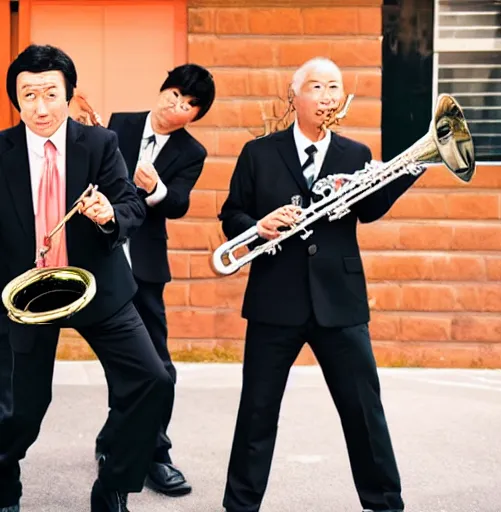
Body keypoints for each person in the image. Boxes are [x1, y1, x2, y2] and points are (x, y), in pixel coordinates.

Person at [218, 57, 420, 512]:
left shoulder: (355, 154)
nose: (326, 96)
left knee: (364, 414)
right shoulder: (260, 153)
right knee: (257, 413)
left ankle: (386, 504)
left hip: (339, 302)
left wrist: (412, 165)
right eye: (316, 86)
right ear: (295, 96)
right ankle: (240, 506)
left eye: (334, 87)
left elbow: (369, 211)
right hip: (275, 300)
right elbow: (231, 215)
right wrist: (257, 226)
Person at [0, 44, 174, 512]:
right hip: (25, 295)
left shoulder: (100, 144)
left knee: (151, 380)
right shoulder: (1, 151)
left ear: (68, 94)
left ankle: (114, 483)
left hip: (98, 283)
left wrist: (108, 215)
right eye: (28, 94)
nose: (40, 107)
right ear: (16, 98)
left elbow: (131, 205)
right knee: (20, 409)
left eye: (50, 93)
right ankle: (3, 486)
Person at [94, 64, 215, 497]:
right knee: (119, 362)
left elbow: (178, 204)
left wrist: (158, 186)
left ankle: (156, 454)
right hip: (102, 258)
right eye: (176, 94)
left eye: (189, 105)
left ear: (194, 116)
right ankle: (116, 442)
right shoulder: (119, 125)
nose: (177, 106)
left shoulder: (191, 151)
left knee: (158, 365)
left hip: (144, 267)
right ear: (163, 88)